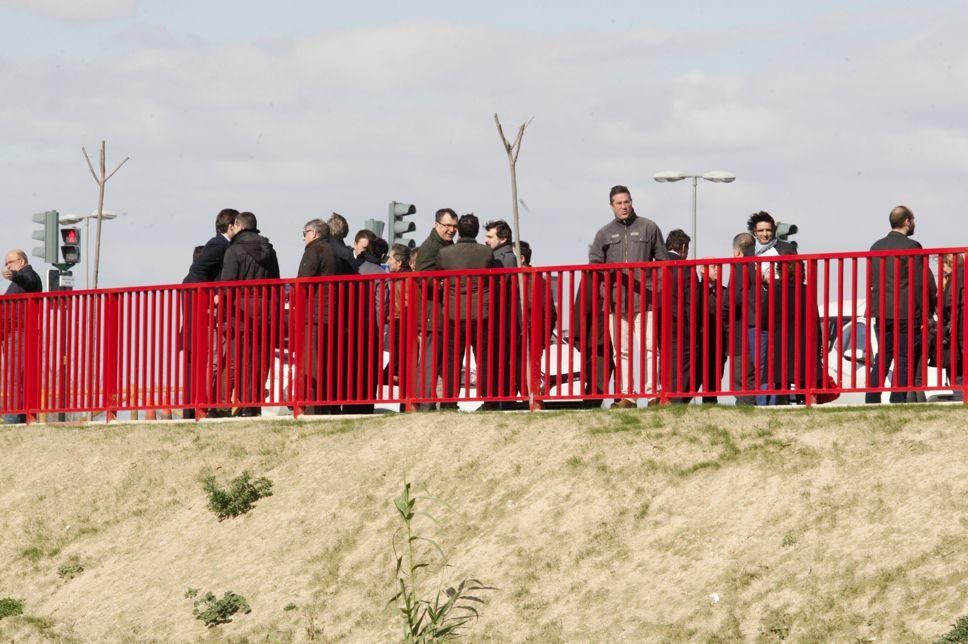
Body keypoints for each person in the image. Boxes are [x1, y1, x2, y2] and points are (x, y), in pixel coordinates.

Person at [588, 184, 667, 408]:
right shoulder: (603, 233)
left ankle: (654, 395)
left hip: (645, 299)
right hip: (616, 301)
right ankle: (626, 395)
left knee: (651, 347)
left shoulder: (649, 227)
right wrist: (605, 291)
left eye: (627, 202)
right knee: (621, 352)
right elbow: (594, 265)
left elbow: (662, 261)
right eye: (619, 203)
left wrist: (656, 288)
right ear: (611, 206)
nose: (624, 207)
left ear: (632, 202)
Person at [866, 205, 936, 403]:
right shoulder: (912, 247)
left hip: (881, 311)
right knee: (904, 358)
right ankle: (897, 399)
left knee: (883, 355)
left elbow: (873, 280)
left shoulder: (876, 247)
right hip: (906, 311)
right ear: (907, 221)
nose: (914, 224)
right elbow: (919, 283)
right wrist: (926, 311)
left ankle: (871, 398)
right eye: (913, 220)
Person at [219, 211, 280, 417]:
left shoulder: (234, 250)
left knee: (242, 357)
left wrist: (221, 309)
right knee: (261, 359)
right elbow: (276, 282)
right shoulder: (270, 250)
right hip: (267, 309)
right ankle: (253, 405)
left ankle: (244, 405)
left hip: (242, 311)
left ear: (238, 226)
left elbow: (227, 284)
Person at [181, 208, 238, 419]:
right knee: (212, 359)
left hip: (205, 302)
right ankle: (202, 404)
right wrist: (208, 297)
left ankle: (205, 404)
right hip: (202, 303)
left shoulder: (223, 245)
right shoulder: (219, 244)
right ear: (230, 226)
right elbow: (197, 272)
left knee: (214, 358)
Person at [438, 214, 495, 407]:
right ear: (477, 231)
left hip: (454, 313)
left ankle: (449, 401)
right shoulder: (486, 253)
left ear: (459, 230)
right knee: (485, 357)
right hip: (481, 312)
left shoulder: (446, 254)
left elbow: (439, 274)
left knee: (453, 358)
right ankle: (489, 400)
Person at [747, 211, 798, 405]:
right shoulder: (749, 253)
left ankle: (776, 403)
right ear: (754, 232)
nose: (765, 234)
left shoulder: (786, 249)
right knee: (759, 363)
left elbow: (796, 276)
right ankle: (762, 404)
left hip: (780, 314)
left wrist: (777, 281)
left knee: (779, 361)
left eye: (768, 230)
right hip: (756, 315)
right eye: (761, 230)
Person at [414, 208, 457, 410]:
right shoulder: (430, 247)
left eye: (454, 226)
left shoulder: (445, 244)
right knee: (431, 357)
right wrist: (444, 284)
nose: (451, 230)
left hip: (442, 310)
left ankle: (431, 400)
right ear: (436, 224)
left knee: (439, 358)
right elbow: (423, 276)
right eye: (447, 225)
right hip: (433, 311)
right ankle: (426, 401)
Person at [296, 218, 337, 415]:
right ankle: (324, 403)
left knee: (310, 359)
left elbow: (303, 278)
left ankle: (312, 405)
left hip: (313, 311)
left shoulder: (314, 249)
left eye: (304, 233)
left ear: (313, 233)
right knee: (324, 358)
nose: (303, 238)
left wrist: (294, 300)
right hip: (329, 311)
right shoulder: (332, 250)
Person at [484, 219, 524, 407]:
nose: (486, 240)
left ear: (503, 239)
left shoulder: (504, 258)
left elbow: (500, 289)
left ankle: (503, 400)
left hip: (502, 320)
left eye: (490, 236)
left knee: (501, 361)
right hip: (503, 319)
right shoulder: (501, 256)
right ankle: (500, 400)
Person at [2, 249, 42, 424]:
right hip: (14, 333)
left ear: (22, 262)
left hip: (20, 333)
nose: (7, 266)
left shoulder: (28, 275)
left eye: (10, 262)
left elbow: (30, 279)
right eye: (6, 263)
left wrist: (14, 276)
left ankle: (14, 418)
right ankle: (22, 416)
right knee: (18, 377)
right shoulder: (20, 279)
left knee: (14, 377)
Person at [518, 240, 558, 405]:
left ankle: (533, 401)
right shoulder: (539, 279)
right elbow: (550, 313)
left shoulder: (527, 280)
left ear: (521, 258)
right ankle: (535, 401)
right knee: (533, 370)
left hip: (525, 332)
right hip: (536, 333)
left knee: (524, 370)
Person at [663, 229, 695, 404]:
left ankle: (660, 395)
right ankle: (675, 398)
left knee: (659, 356)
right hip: (678, 321)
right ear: (683, 247)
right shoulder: (685, 267)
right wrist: (693, 328)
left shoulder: (656, 263)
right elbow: (691, 301)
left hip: (656, 318)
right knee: (682, 359)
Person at [726, 232, 757, 405]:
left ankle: (746, 411)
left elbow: (733, 299)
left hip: (741, 331)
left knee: (742, 379)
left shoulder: (740, 266)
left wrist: (724, 312)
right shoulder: (760, 265)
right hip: (759, 331)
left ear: (737, 252)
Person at [697, 262, 728, 403]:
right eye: (713, 267)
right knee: (698, 372)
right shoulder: (696, 291)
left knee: (716, 372)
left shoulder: (724, 291)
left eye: (718, 267)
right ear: (703, 270)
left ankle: (711, 400)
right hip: (702, 339)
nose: (717, 270)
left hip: (720, 340)